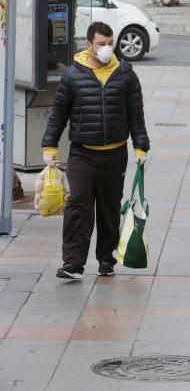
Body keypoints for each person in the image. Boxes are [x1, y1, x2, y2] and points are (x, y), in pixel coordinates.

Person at [41, 22, 150, 281]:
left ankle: (105, 258)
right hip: (82, 152)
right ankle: (73, 263)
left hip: (115, 153)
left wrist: (141, 146)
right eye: (101, 43)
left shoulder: (125, 74)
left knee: (109, 208)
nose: (107, 48)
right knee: (78, 203)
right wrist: (49, 146)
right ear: (89, 44)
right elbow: (58, 115)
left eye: (109, 43)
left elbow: (136, 114)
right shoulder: (72, 75)